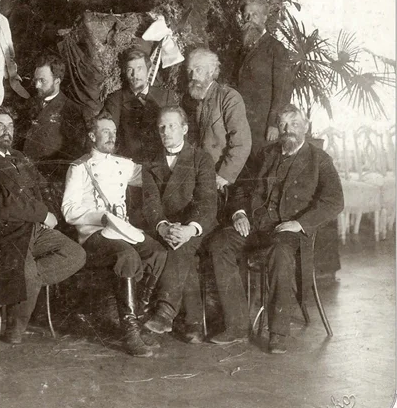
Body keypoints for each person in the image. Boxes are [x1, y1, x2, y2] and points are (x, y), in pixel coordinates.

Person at [208, 105, 344, 353]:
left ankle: (278, 333)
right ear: (278, 128)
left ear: (306, 127)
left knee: (281, 253)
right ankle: (237, 326)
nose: (288, 130)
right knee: (220, 243)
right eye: (283, 124)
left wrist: (300, 224)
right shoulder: (265, 154)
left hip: (289, 231)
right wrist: (239, 213)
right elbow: (240, 187)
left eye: (295, 124)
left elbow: (334, 201)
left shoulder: (319, 160)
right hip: (255, 226)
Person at [0, 107, 86, 344]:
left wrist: (50, 214)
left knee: (76, 254)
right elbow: (2, 203)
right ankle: (15, 328)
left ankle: (26, 283)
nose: (7, 131)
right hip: (2, 233)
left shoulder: (19, 157)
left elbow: (41, 187)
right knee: (26, 272)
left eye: (10, 126)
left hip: (33, 229)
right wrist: (42, 214)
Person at [62, 115, 166, 357]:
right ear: (92, 136)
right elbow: (68, 210)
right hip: (94, 234)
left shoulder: (122, 164)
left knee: (158, 252)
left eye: (114, 131)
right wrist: (101, 217)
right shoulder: (79, 167)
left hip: (122, 229)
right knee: (127, 256)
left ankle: (139, 317)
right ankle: (130, 332)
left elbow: (153, 176)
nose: (112, 136)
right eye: (105, 131)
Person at [140, 106, 217, 343]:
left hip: (198, 226)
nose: (166, 131)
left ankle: (165, 311)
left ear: (184, 129)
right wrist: (163, 226)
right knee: (177, 249)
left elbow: (206, 202)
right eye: (162, 127)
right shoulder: (150, 161)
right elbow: (150, 202)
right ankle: (194, 324)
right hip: (165, 226)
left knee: (181, 247)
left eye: (172, 126)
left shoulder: (201, 158)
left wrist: (189, 229)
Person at [184, 47, 251, 191]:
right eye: (189, 70)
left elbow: (242, 142)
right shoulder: (189, 99)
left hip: (221, 178)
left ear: (211, 70)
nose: (193, 76)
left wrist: (224, 176)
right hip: (196, 174)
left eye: (198, 69)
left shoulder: (228, 97)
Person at [234, 0, 292, 156]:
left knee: (262, 163)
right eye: (246, 15)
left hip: (264, 126)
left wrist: (274, 123)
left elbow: (283, 90)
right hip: (243, 122)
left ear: (264, 18)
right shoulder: (242, 50)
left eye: (254, 14)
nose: (249, 19)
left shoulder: (276, 49)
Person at [102, 47, 177, 165]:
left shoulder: (165, 96)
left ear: (149, 70)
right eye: (130, 70)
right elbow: (109, 135)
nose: (135, 75)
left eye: (139, 69)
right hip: (129, 163)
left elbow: (177, 133)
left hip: (161, 163)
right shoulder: (116, 99)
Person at [22, 53, 83, 172]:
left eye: (42, 81)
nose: (37, 85)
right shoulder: (29, 104)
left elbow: (73, 155)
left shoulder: (71, 110)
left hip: (49, 175)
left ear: (57, 81)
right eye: (35, 80)